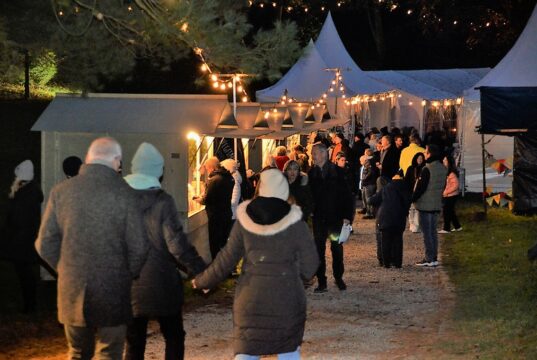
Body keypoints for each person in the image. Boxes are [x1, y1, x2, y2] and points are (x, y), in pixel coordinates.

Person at [35, 137, 149, 360]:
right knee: (109, 351)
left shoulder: (61, 191)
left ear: (89, 158)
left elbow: (44, 243)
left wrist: (66, 270)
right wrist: (127, 273)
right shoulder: (126, 193)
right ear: (116, 159)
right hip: (113, 287)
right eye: (120, 162)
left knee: (78, 352)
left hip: (72, 288)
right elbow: (140, 246)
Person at [192, 168, 319, 360]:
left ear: (260, 188)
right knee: (289, 352)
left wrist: (202, 281)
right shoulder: (296, 224)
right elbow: (311, 266)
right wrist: (294, 272)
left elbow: (225, 260)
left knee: (247, 353)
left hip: (251, 300)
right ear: (284, 190)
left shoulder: (244, 222)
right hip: (287, 298)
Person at [123, 142, 206, 360]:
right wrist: (200, 271)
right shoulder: (162, 201)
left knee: (133, 341)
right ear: (158, 172)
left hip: (128, 283)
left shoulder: (119, 199)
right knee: (174, 336)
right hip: (162, 282)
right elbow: (177, 246)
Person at [308, 143, 354, 292]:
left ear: (323, 154)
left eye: (314, 153)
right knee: (318, 250)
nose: (312, 156)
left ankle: (338, 277)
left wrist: (347, 216)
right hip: (319, 218)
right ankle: (322, 281)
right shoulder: (311, 174)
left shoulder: (338, 173)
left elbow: (348, 196)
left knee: (336, 248)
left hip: (335, 218)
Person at [5, 160, 43, 313]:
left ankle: (30, 305)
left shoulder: (27, 193)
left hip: (23, 239)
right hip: (23, 238)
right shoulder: (28, 191)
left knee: (25, 273)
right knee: (24, 272)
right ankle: (29, 304)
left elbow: (19, 217)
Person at [412, 144, 447, 267]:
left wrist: (411, 199)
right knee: (433, 232)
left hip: (425, 205)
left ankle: (429, 258)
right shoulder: (443, 168)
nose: (425, 154)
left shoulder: (427, 169)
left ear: (430, 154)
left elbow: (421, 188)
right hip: (436, 203)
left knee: (427, 233)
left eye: (426, 152)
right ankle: (434, 257)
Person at [194, 157, 234, 261]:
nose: (207, 171)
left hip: (216, 216)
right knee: (224, 242)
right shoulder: (228, 177)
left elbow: (208, 198)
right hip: (226, 213)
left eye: (207, 168)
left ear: (211, 167)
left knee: (215, 243)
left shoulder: (214, 180)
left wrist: (199, 200)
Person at [368, 175, 411, 268]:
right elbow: (408, 202)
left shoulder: (386, 188)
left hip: (385, 217)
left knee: (385, 240)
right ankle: (398, 263)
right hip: (399, 218)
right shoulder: (405, 188)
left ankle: (386, 263)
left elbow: (372, 200)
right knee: (398, 240)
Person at [439, 155, 462, 234]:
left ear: (449, 162)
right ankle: (457, 226)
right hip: (449, 195)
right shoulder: (447, 172)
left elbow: (456, 185)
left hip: (451, 195)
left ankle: (446, 228)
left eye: (445, 160)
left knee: (446, 211)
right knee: (451, 211)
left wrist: (446, 192)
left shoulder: (451, 173)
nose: (443, 161)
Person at [404, 152, 426, 233]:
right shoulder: (410, 168)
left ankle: (416, 226)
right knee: (410, 209)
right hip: (410, 191)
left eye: (421, 159)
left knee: (417, 209)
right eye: (418, 158)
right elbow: (406, 180)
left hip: (419, 192)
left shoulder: (424, 168)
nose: (420, 160)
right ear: (415, 159)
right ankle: (411, 223)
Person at [360, 149, 378, 220]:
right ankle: (369, 212)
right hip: (370, 182)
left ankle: (370, 213)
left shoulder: (369, 161)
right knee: (367, 198)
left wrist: (364, 179)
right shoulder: (373, 160)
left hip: (369, 183)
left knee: (368, 198)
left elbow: (369, 172)